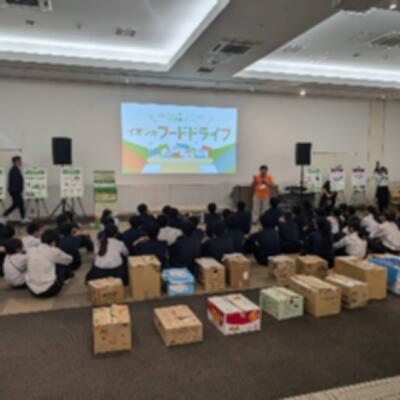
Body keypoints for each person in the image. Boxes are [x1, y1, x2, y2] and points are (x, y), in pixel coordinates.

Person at [26, 229, 73, 298]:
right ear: (54, 242)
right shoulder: (54, 251)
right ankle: (66, 279)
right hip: (49, 290)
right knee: (61, 263)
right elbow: (69, 260)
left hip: (32, 290)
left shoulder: (31, 250)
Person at [3, 156, 28, 223]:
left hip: (17, 191)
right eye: (19, 161)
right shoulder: (14, 170)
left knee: (21, 204)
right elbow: (16, 181)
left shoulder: (16, 169)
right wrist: (19, 189)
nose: (21, 162)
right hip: (15, 191)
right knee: (16, 204)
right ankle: (3, 215)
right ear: (16, 161)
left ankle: (23, 218)